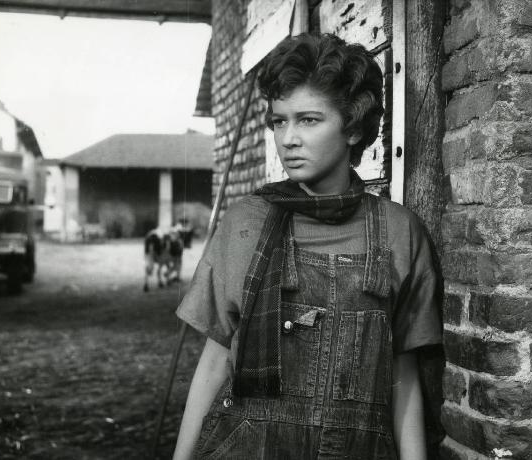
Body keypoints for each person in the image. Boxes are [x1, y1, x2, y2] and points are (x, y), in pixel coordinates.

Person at [173, 33, 443, 459]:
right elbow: (213, 363)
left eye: (309, 120)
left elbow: (404, 376)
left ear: (353, 127)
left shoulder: (399, 231)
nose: (288, 138)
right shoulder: (247, 222)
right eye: (280, 121)